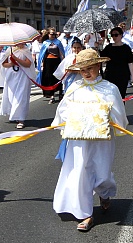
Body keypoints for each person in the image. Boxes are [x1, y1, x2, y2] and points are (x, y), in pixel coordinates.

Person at [51, 48, 128, 232]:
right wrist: (68, 121)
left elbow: (118, 114)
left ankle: (105, 193)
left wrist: (113, 123)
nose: (86, 72)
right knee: (81, 171)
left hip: (102, 139)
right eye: (82, 69)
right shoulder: (75, 88)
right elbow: (62, 110)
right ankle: (85, 213)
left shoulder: (110, 88)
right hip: (79, 140)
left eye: (90, 68)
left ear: (99, 66)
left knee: (102, 172)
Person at [0, 41, 35, 129]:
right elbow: (4, 64)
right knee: (12, 97)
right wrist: (11, 63)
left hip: (23, 76)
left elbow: (28, 64)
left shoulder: (26, 50)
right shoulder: (9, 50)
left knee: (21, 97)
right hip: (11, 77)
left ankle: (21, 119)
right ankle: (16, 115)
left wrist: (16, 59)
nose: (20, 44)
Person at [101, 26, 133, 99]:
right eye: (112, 35)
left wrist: (132, 75)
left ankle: (121, 110)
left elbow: (130, 62)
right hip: (110, 74)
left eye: (116, 35)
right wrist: (97, 47)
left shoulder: (126, 48)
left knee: (121, 95)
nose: (114, 37)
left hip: (123, 74)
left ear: (121, 35)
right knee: (110, 94)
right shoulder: (108, 47)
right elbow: (101, 57)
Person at [37, 28, 66, 103]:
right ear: (48, 34)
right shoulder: (45, 43)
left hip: (56, 61)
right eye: (51, 34)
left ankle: (60, 92)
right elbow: (43, 55)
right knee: (49, 78)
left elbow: (61, 53)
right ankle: (51, 95)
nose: (53, 36)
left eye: (54, 34)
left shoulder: (58, 42)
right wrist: (42, 65)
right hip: (48, 62)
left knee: (58, 77)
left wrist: (63, 62)